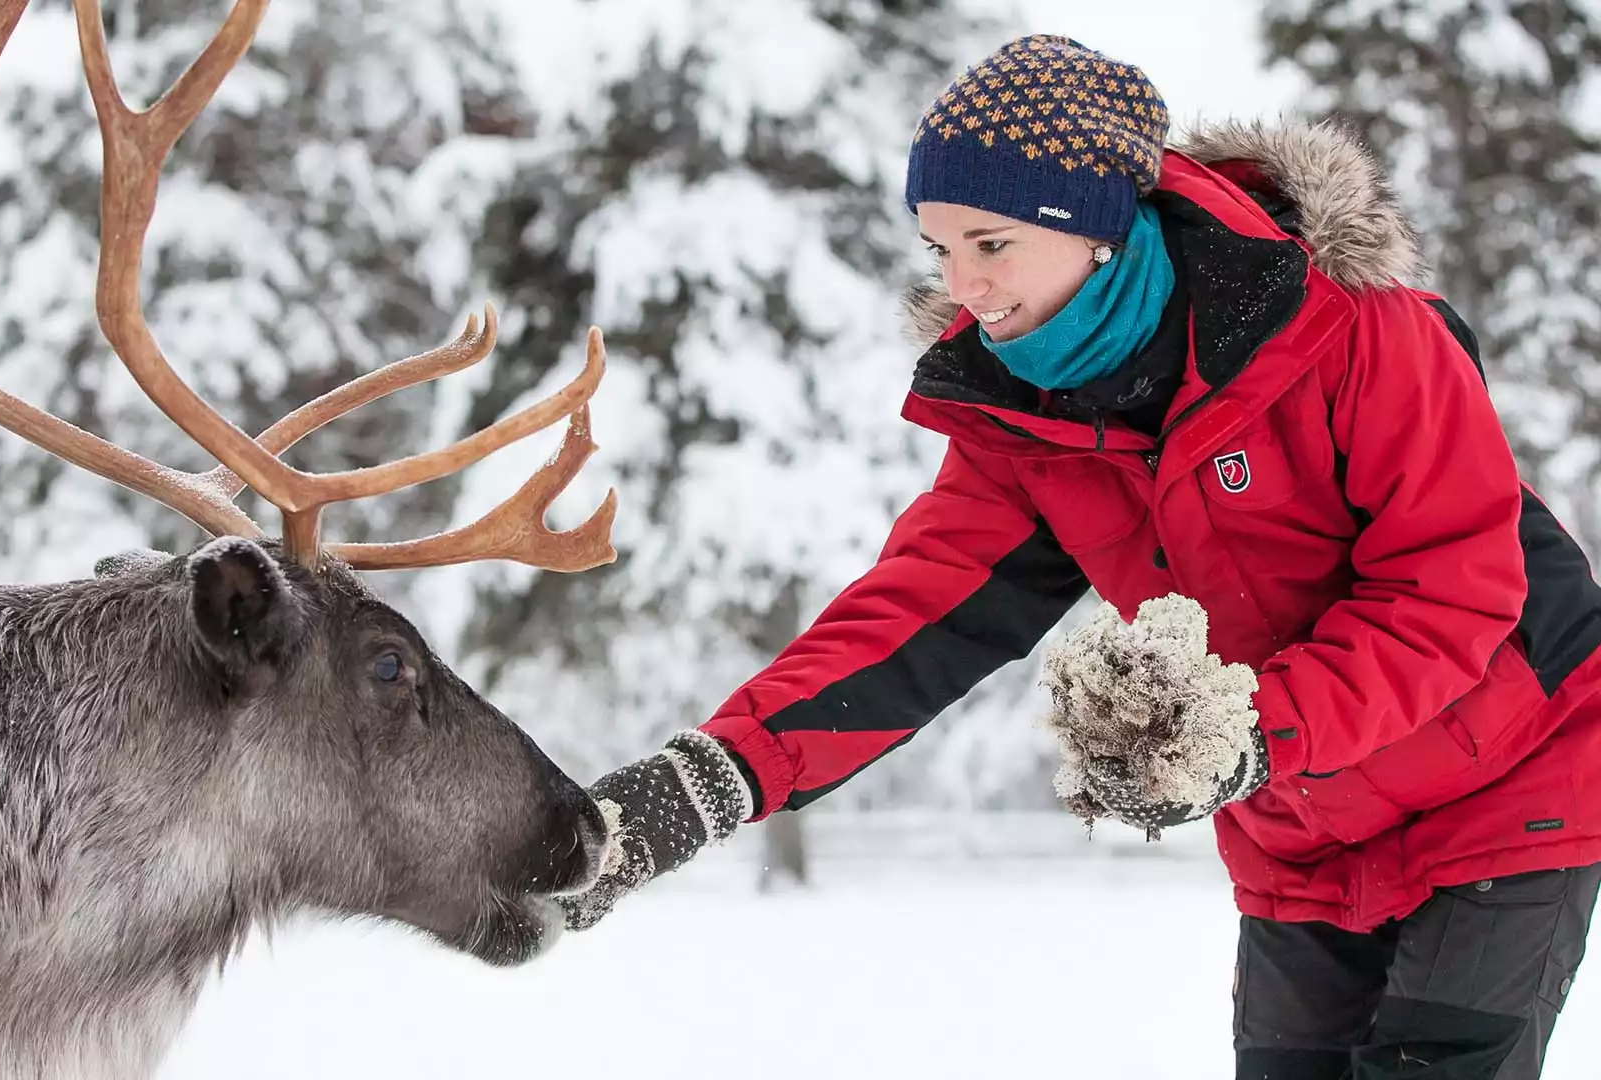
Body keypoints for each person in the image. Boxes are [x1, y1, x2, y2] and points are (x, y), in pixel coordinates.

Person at [557, 33, 1601, 1080]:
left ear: (1096, 225)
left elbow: (1449, 598)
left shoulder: (1356, 334)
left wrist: (1245, 733)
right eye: (939, 250)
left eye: (991, 243)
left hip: (1513, 776)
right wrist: (708, 782)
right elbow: (909, 625)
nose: (963, 284)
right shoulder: (1025, 424)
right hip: (1304, 833)